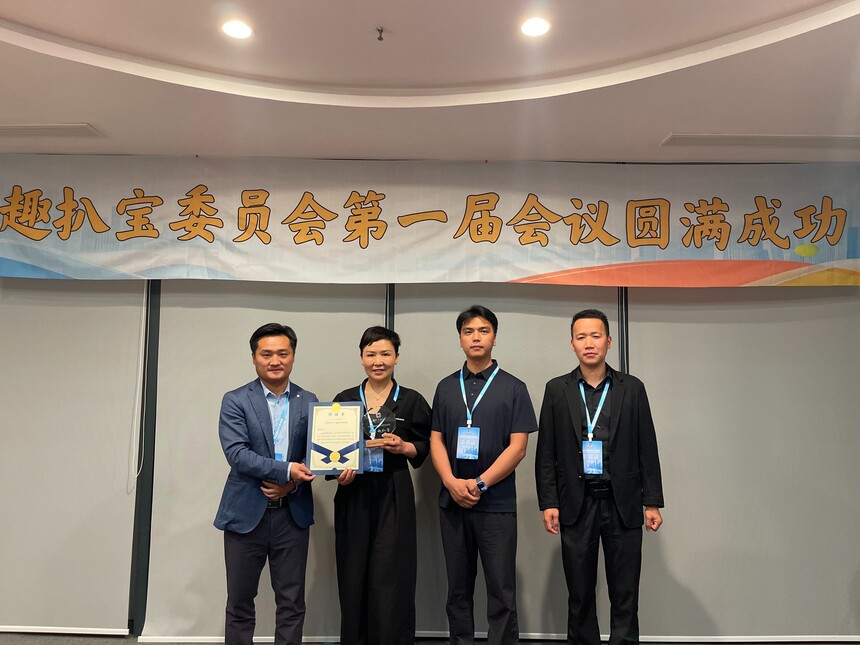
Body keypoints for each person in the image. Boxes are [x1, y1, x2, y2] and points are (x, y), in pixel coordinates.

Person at [535, 309, 664, 645]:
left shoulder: (632, 388)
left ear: (609, 341)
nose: (589, 343)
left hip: (623, 503)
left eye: (595, 336)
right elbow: (546, 451)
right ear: (572, 344)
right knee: (579, 594)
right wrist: (549, 502)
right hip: (576, 504)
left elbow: (647, 446)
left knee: (625, 594)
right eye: (581, 337)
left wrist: (651, 502)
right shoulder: (557, 389)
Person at [429, 305, 537, 645]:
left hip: (496, 505)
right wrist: (450, 482)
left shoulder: (514, 387)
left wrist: (479, 483)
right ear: (460, 339)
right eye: (468, 331)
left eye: (483, 330)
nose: (476, 337)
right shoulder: (446, 387)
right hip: (453, 503)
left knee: (501, 591)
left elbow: (518, 448)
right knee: (457, 591)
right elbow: (436, 440)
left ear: (494, 337)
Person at [214, 323, 318, 645]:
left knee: (292, 603)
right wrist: (287, 471)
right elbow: (238, 455)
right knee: (240, 603)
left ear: (293, 356)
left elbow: (314, 456)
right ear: (254, 357)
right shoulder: (235, 400)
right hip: (246, 514)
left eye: (282, 353)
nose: (275, 361)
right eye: (267, 354)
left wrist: (292, 484)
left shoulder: (309, 400)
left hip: (292, 515)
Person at [330, 325, 432, 645]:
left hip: (394, 492)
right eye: (371, 354)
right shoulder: (344, 400)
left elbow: (427, 445)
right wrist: (339, 472)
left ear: (396, 357)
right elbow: (330, 453)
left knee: (392, 574)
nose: (378, 361)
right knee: (353, 572)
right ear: (361, 358)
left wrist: (405, 447)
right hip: (353, 492)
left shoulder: (412, 400)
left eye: (385, 354)